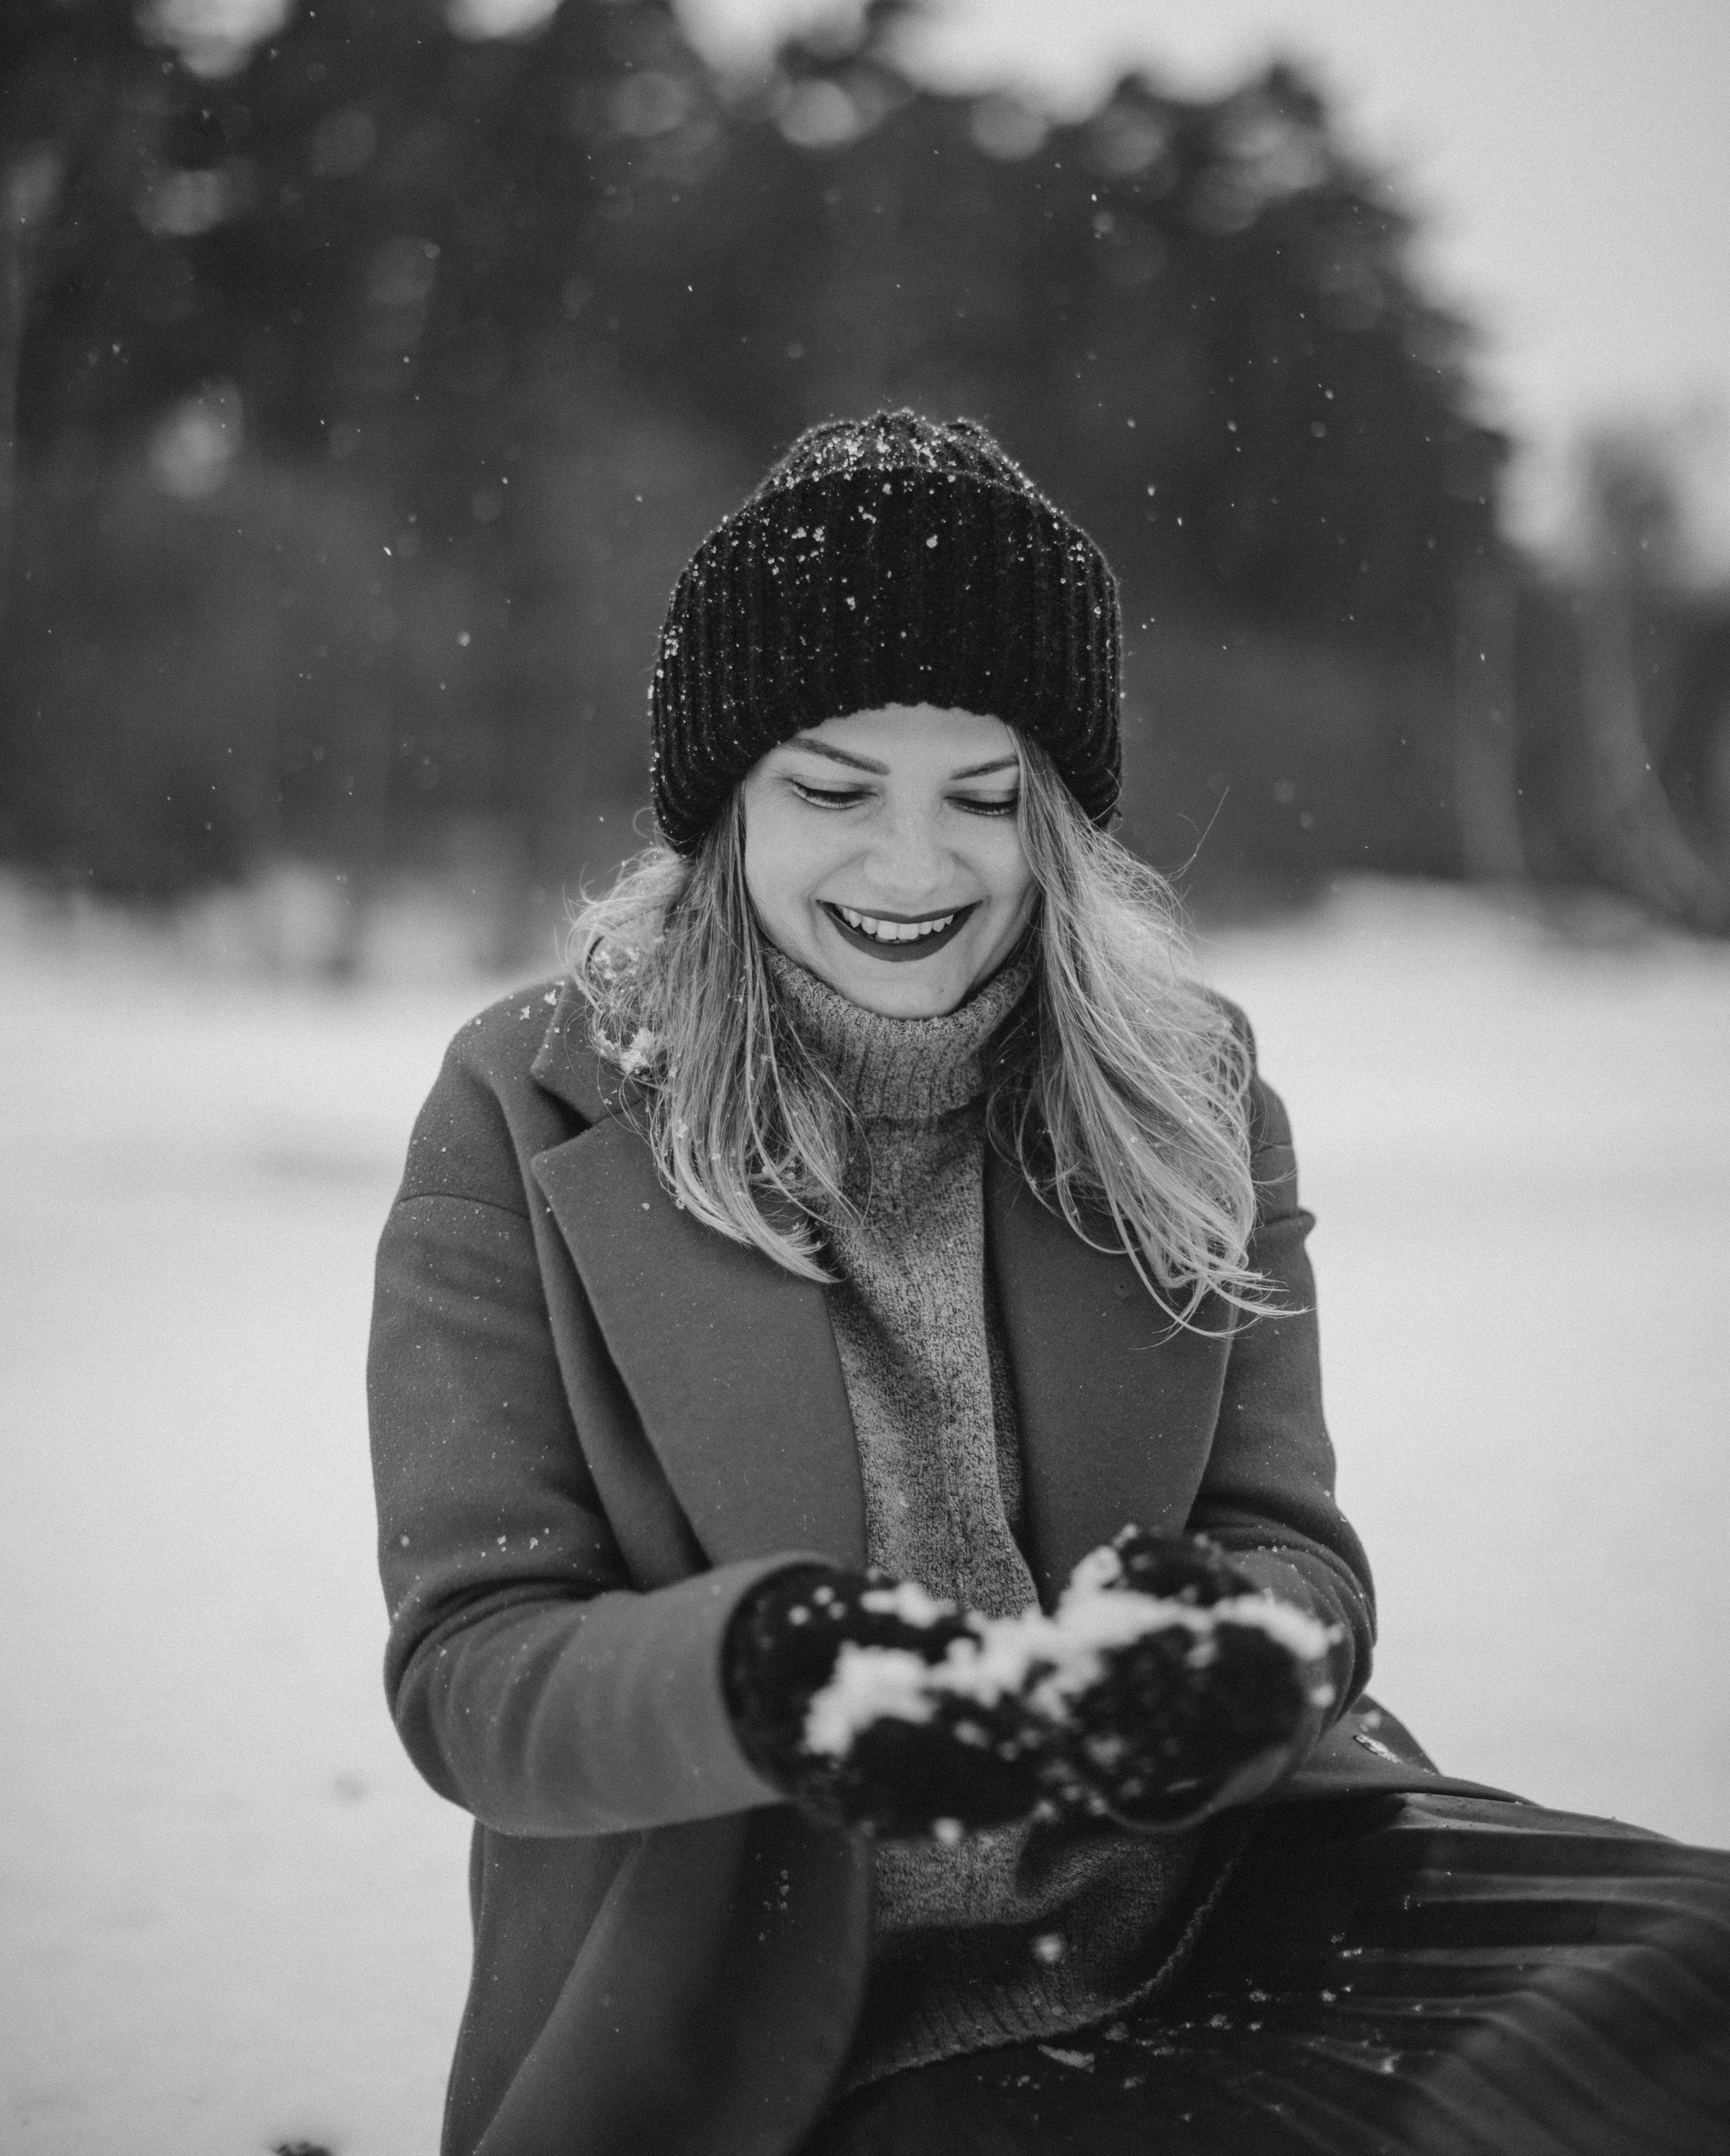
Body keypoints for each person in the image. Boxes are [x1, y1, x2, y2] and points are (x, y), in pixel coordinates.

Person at [370, 411, 1730, 2156]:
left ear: (1059, 815)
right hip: (794, 2021)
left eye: (984, 796)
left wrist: (1236, 1662)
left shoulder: (1190, 1087)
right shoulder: (524, 1104)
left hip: (1230, 1891)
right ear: (724, 803)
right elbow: (472, 1668)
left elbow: (1289, 1546)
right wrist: (759, 1679)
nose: (916, 868)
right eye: (837, 790)